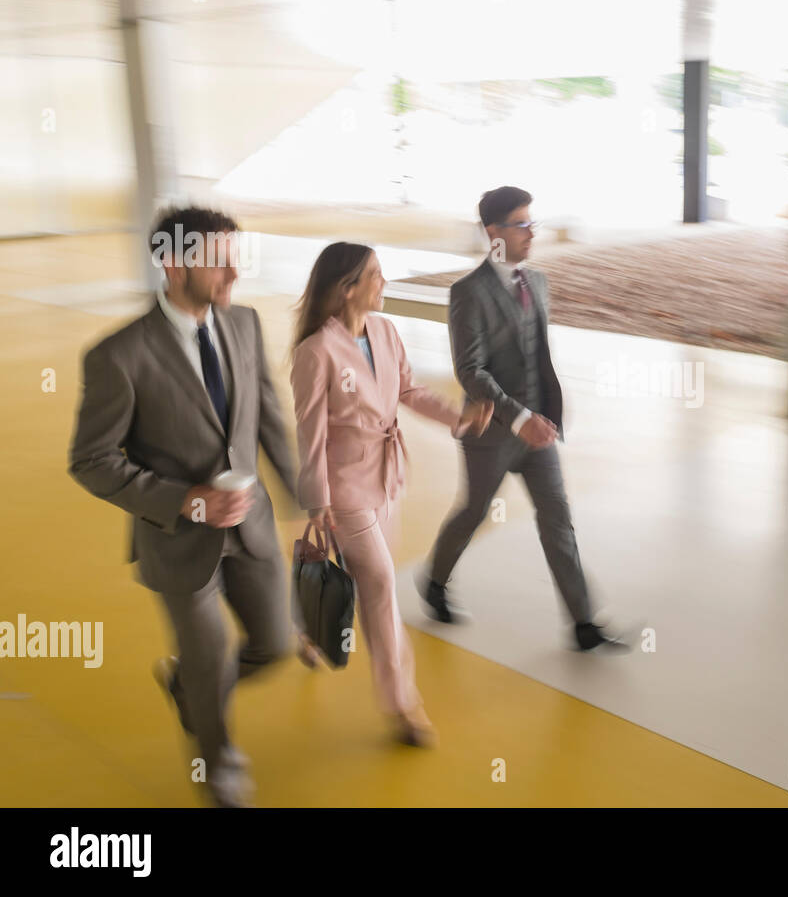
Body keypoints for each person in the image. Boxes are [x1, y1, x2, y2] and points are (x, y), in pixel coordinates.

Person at [69, 205, 296, 807]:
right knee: (206, 653)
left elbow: (267, 416)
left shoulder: (244, 324)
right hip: (176, 539)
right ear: (172, 264)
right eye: (219, 263)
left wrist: (311, 500)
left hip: (253, 525)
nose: (233, 275)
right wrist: (187, 502)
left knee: (275, 644)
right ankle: (218, 764)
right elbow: (91, 460)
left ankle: (190, 688)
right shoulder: (117, 356)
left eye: (234, 260)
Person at [290, 242, 491, 747]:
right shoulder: (314, 353)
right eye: (375, 275)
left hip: (387, 477)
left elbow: (407, 390)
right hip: (343, 490)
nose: (384, 283)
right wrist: (317, 502)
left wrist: (459, 417)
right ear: (347, 288)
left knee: (353, 575)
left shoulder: (384, 330)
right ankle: (403, 705)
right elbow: (309, 433)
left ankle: (308, 626)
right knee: (379, 584)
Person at [421, 186, 625, 652]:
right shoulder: (467, 292)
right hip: (492, 433)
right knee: (473, 512)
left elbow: (537, 355)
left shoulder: (538, 283)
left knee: (557, 519)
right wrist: (519, 419)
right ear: (493, 232)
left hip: (539, 432)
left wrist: (544, 416)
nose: (532, 232)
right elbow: (470, 370)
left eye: (533, 222)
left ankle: (583, 623)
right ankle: (434, 582)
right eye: (521, 224)